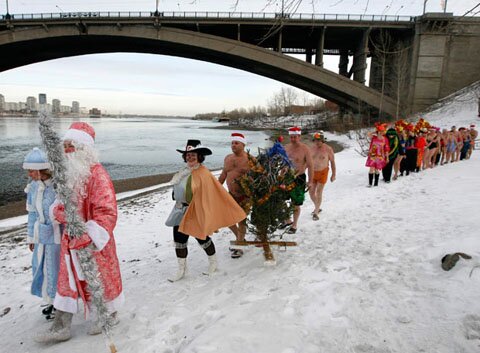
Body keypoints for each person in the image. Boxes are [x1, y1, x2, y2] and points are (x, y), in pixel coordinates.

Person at [35, 122, 124, 343]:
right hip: (71, 240)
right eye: (64, 146)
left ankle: (108, 314)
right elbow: (59, 204)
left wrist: (90, 234)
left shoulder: (98, 175)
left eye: (71, 146)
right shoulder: (67, 175)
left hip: (94, 241)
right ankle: (61, 325)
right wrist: (60, 213)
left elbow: (107, 211)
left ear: (84, 148)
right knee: (67, 281)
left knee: (99, 279)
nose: (66, 151)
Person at [165, 139, 246, 281]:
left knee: (202, 239)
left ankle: (213, 264)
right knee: (179, 241)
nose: (190, 157)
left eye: (193, 155)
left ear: (199, 157)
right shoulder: (183, 172)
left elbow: (213, 192)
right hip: (179, 211)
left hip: (196, 211)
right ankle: (181, 270)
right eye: (187, 155)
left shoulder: (204, 173)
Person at [23, 147, 61, 320]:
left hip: (58, 238)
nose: (29, 174)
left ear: (43, 169)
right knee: (43, 270)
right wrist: (31, 237)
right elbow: (32, 213)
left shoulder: (58, 187)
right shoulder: (33, 188)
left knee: (57, 270)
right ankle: (50, 301)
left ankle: (60, 304)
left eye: (32, 170)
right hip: (41, 238)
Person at [218, 132, 251, 258]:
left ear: (243, 144)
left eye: (236, 143)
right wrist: (215, 187)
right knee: (227, 219)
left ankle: (239, 246)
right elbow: (223, 175)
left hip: (245, 196)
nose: (233, 145)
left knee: (241, 220)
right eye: (232, 143)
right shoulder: (228, 158)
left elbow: (258, 177)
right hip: (230, 195)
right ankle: (240, 238)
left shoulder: (249, 159)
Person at [283, 126, 313, 234]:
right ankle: (287, 219)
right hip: (286, 178)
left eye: (295, 137)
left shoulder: (305, 149)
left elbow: (310, 165)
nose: (293, 139)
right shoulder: (286, 147)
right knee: (281, 200)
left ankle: (294, 225)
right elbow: (282, 163)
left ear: (299, 136)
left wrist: (310, 181)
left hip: (299, 178)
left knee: (296, 203)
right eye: (291, 137)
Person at [308, 131, 336, 221]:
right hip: (312, 173)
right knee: (311, 192)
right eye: (315, 140)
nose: (317, 142)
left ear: (323, 140)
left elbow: (332, 162)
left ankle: (316, 212)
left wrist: (333, 174)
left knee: (319, 192)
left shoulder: (328, 149)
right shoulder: (311, 149)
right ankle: (318, 206)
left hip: (323, 172)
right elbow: (307, 162)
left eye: (319, 140)